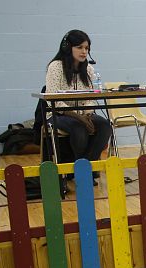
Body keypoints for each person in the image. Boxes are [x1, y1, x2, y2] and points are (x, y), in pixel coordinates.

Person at [45, 30, 112, 171]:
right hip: (58, 114)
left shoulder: (88, 69)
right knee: (78, 127)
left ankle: (88, 167)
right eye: (79, 47)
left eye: (86, 48)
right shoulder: (55, 67)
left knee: (105, 126)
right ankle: (80, 169)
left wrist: (87, 114)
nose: (84, 51)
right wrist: (78, 117)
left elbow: (90, 98)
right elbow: (54, 100)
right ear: (67, 47)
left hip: (83, 114)